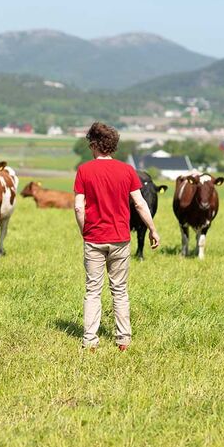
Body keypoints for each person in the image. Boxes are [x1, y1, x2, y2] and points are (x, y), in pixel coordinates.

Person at [73, 122, 160, 351]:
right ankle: (123, 340)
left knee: (93, 290)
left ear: (94, 145)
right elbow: (140, 204)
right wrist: (152, 229)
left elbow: (79, 208)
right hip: (121, 238)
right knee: (119, 290)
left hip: (94, 238)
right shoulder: (127, 171)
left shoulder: (84, 170)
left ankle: (90, 340)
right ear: (112, 146)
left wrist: (86, 230)